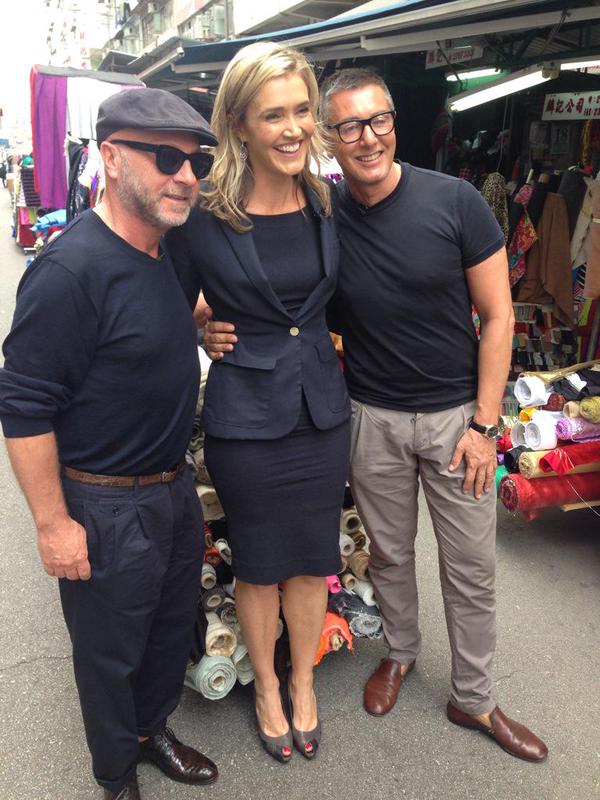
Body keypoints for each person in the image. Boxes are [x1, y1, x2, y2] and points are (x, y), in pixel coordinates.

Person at [204, 67, 548, 763]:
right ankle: (400, 653)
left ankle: (476, 697)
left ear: (396, 122)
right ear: (329, 137)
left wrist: (486, 425)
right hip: (367, 415)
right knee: (388, 555)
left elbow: (499, 316)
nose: (367, 138)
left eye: (378, 120)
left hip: (456, 419)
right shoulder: (323, 210)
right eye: (349, 126)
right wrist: (209, 323)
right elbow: (267, 285)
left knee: (471, 567)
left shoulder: (455, 201)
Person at [0, 88, 220, 799]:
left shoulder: (166, 251)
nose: (184, 176)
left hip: (171, 490)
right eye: (165, 158)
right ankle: (115, 776)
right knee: (109, 655)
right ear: (111, 158)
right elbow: (24, 407)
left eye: (196, 163)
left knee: (168, 632)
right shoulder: (69, 271)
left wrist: (205, 325)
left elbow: (149, 326)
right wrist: (52, 524)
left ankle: (151, 731)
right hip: (104, 506)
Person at [166, 41, 350, 764]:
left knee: (311, 558)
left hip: (320, 411)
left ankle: (303, 681)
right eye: (274, 114)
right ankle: (267, 687)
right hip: (244, 414)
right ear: (239, 124)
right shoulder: (205, 214)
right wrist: (200, 326)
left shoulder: (326, 202)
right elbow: (166, 304)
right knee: (258, 563)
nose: (293, 128)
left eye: (303, 110)